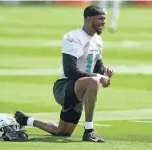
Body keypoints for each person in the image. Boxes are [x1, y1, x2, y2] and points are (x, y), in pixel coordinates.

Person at [14, 5, 114, 143]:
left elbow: (98, 66)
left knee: (62, 132)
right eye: (101, 19)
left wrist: (105, 74)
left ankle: (26, 120)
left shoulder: (98, 40)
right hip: (64, 87)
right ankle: (89, 131)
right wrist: (98, 77)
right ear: (90, 19)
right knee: (93, 81)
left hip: (80, 90)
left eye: (105, 19)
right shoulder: (73, 37)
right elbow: (70, 71)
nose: (104, 22)